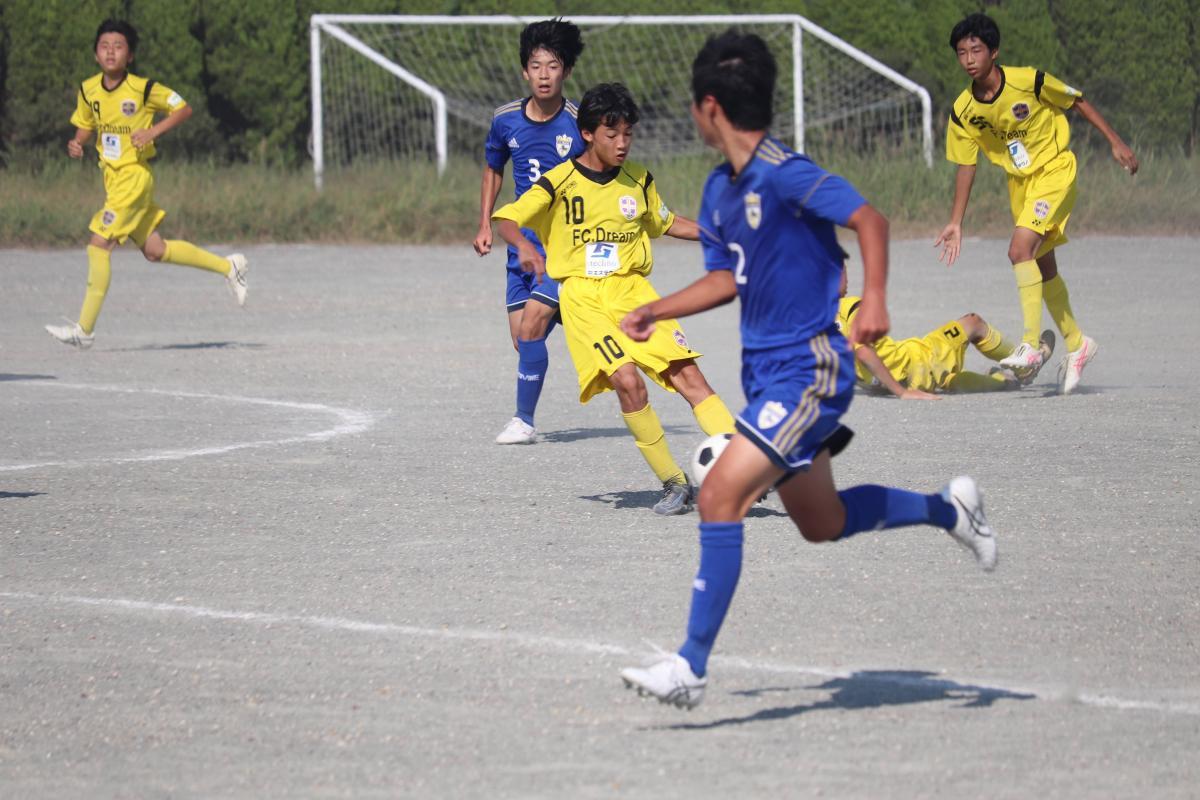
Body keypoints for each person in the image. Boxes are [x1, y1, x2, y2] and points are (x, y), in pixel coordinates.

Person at [617, 31, 997, 709]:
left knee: (718, 495)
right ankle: (951, 509)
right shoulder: (719, 189)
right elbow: (725, 280)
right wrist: (657, 307)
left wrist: (874, 298)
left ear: (709, 107)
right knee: (823, 521)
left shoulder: (785, 172)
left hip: (811, 371)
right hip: (767, 377)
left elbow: (869, 220)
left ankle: (689, 667)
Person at [492, 83, 737, 515]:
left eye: (628, 134)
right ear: (587, 133)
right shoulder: (558, 183)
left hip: (633, 293)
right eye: (612, 134)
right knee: (627, 380)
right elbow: (508, 219)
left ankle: (743, 466)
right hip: (583, 299)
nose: (622, 143)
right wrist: (525, 245)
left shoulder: (638, 180)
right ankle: (673, 483)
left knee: (688, 375)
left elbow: (667, 222)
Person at [933, 13, 1137, 394]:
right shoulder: (963, 111)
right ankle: (1077, 343)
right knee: (1042, 266)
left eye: (976, 50)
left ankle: (1029, 344)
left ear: (994, 52)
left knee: (1018, 250)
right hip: (1021, 184)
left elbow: (1076, 100)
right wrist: (956, 221)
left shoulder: (1029, 80)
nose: (969, 59)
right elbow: (966, 164)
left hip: (1055, 171)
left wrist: (1115, 141)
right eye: (961, 52)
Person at [45, 19, 247, 350]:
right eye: (104, 46)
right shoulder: (88, 89)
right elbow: (86, 124)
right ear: (96, 54)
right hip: (113, 180)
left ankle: (84, 330)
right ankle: (229, 267)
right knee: (155, 250)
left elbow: (183, 109)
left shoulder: (143, 88)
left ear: (131, 55)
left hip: (134, 178)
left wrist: (153, 131)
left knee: (99, 243)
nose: (111, 52)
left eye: (118, 46)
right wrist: (78, 142)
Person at [474, 19, 585, 444]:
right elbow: (493, 168)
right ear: (525, 71)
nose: (544, 75)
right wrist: (485, 223)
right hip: (520, 246)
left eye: (553, 66)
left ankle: (523, 420)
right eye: (536, 66)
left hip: (563, 249)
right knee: (522, 339)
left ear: (566, 71)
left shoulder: (579, 123)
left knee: (532, 327)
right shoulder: (505, 120)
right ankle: (588, 326)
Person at [837, 262, 1055, 397]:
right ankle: (1025, 365)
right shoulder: (850, 306)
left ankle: (1002, 381)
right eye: (843, 269)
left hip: (887, 379)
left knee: (947, 378)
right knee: (973, 323)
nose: (847, 277)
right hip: (916, 362)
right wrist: (901, 392)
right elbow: (863, 351)